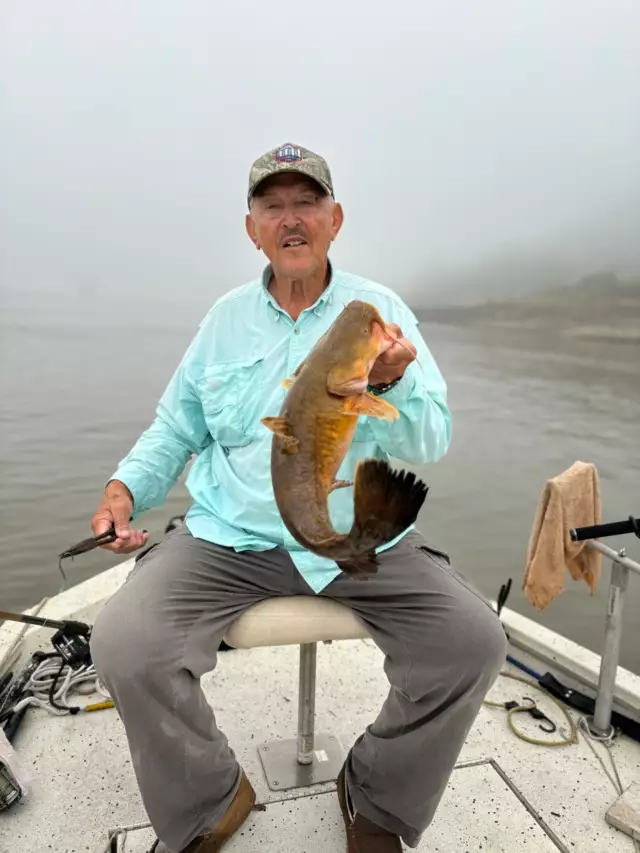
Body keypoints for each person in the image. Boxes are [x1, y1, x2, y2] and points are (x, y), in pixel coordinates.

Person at [89, 143, 507, 853]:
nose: (291, 220)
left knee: (472, 643)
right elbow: (175, 427)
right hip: (229, 538)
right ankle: (207, 800)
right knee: (125, 644)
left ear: (335, 218)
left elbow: (432, 436)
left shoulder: (380, 314)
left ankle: (376, 795)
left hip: (353, 538)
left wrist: (393, 382)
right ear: (251, 226)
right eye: (273, 205)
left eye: (306, 203)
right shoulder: (223, 320)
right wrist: (125, 488)